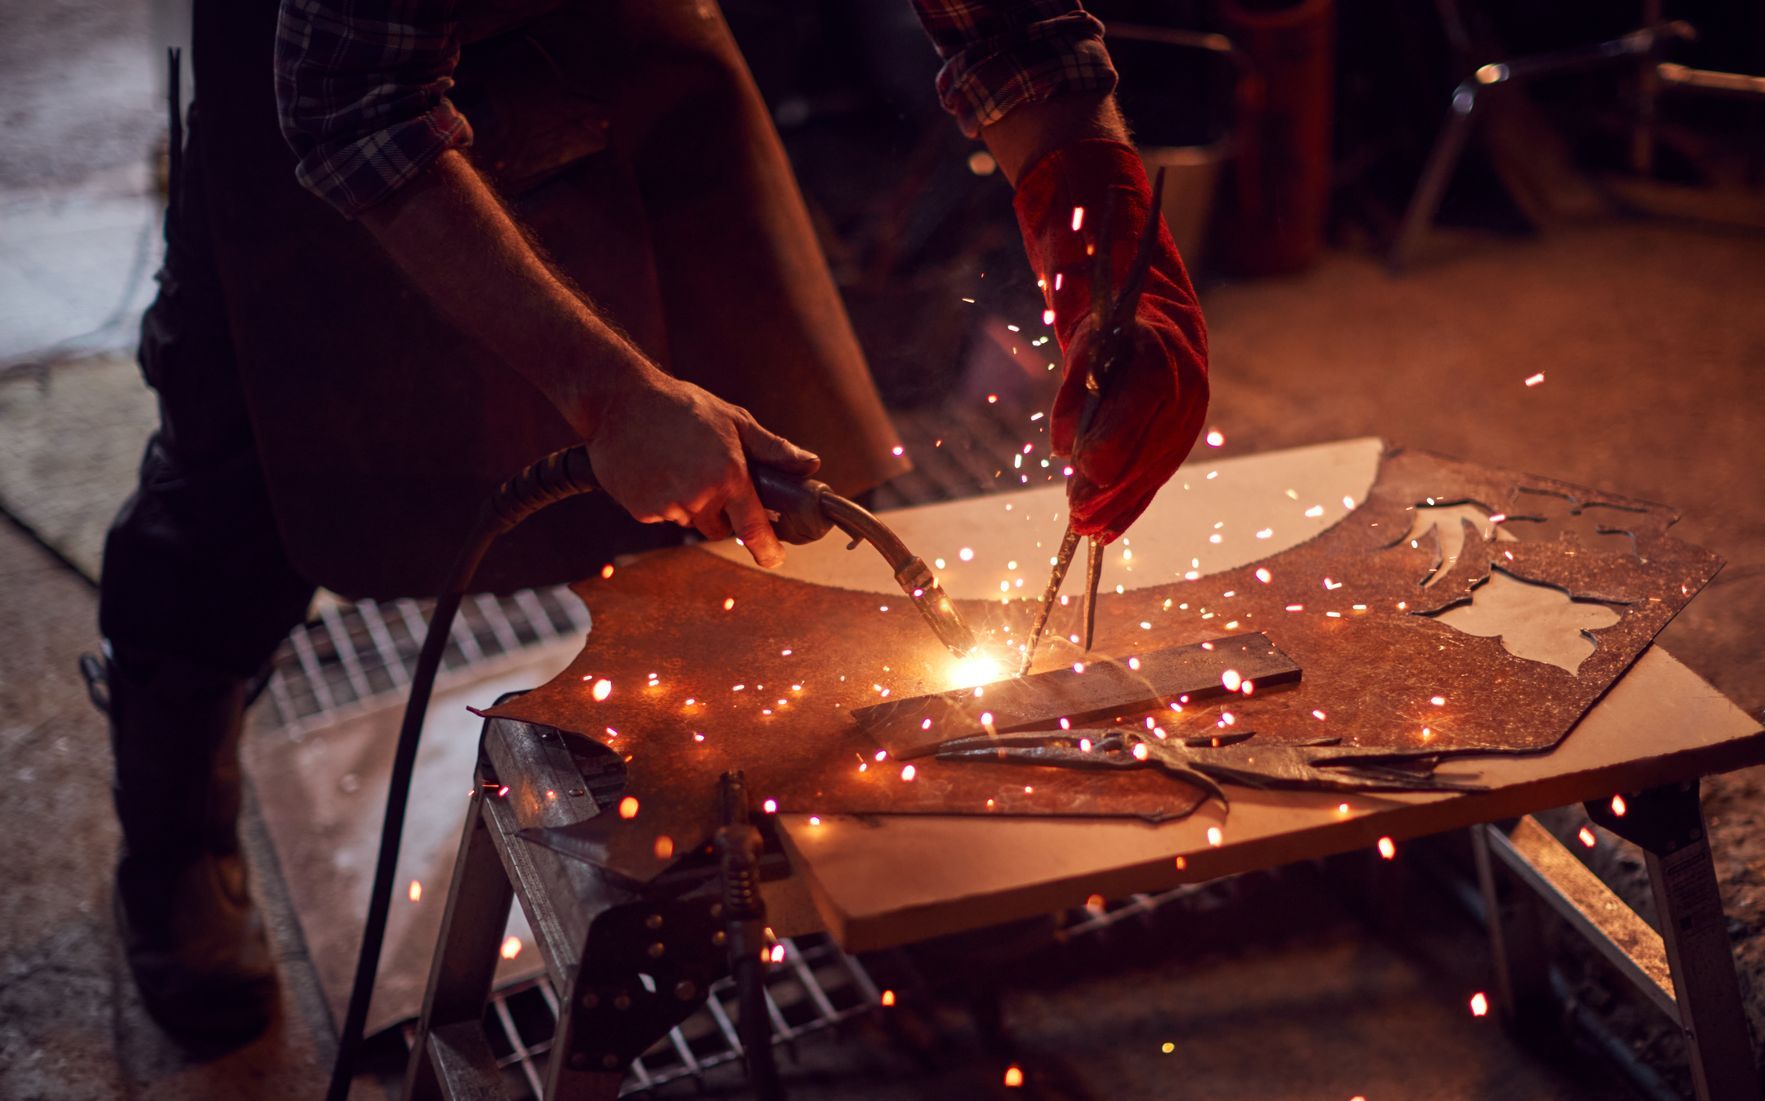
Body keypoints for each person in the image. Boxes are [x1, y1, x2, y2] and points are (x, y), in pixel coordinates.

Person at [95, 0, 1209, 1038]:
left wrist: (1105, 236)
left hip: (631, 45)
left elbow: (1012, 25)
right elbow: (353, 109)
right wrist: (609, 395)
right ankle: (174, 830)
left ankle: (857, 795)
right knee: (245, 486)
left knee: (774, 427)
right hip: (336, 93)